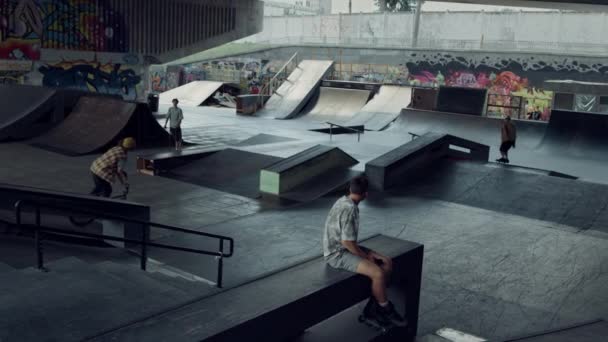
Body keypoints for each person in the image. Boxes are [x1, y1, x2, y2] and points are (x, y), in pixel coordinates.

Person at [323, 176, 404, 328]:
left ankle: (373, 309)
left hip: (346, 247)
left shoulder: (343, 200)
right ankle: (386, 309)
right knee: (378, 273)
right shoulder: (350, 210)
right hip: (337, 254)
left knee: (386, 262)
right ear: (366, 194)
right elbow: (346, 242)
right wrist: (366, 256)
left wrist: (367, 255)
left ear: (350, 189)